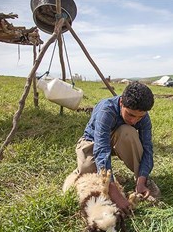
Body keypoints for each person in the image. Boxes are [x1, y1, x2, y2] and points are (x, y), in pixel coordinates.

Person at [68, 81, 160, 215]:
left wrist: (142, 179)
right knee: (87, 170)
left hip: (120, 139)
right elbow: (101, 148)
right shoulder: (106, 110)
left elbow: (147, 148)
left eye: (139, 117)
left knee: (128, 131)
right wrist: (113, 191)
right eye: (130, 115)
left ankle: (142, 180)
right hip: (93, 142)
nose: (134, 121)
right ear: (121, 103)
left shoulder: (143, 117)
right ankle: (85, 172)